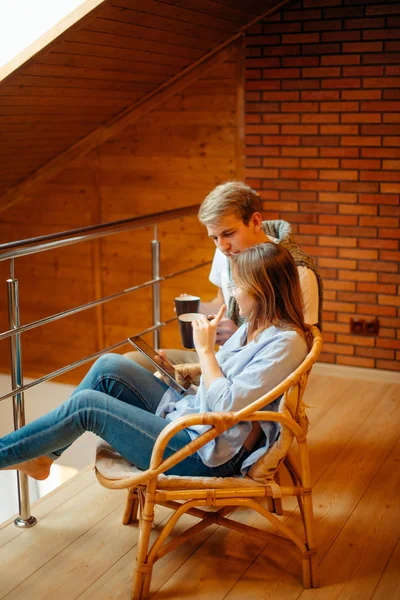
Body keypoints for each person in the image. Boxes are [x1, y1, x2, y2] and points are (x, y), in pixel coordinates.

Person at [0, 244, 309, 481]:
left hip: (206, 453)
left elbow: (227, 407)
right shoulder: (253, 326)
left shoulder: (286, 342)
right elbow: (223, 390)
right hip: (193, 422)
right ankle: (44, 456)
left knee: (88, 406)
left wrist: (206, 351)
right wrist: (179, 379)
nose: (232, 294)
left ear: (262, 291)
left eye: (237, 285)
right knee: (110, 366)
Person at [124, 180, 322, 374]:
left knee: (121, 372)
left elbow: (299, 346)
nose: (222, 246)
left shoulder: (297, 271)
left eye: (228, 233)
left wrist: (238, 338)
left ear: (255, 221)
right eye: (214, 238)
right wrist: (198, 310)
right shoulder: (226, 253)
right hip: (221, 357)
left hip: (247, 370)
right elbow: (222, 301)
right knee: (127, 363)